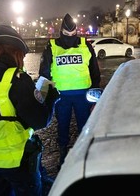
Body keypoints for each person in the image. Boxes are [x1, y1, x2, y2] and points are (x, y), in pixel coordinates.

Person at [0, 25, 59, 196]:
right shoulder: (17, 80)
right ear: (15, 53)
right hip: (18, 161)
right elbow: (40, 120)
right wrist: (51, 98)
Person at [38, 13, 101, 168]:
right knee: (83, 125)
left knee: (64, 125)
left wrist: (44, 96)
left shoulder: (51, 46)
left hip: (63, 94)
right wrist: (96, 95)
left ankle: (63, 155)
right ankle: (85, 154)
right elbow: (95, 71)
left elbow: (44, 72)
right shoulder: (85, 44)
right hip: (81, 94)